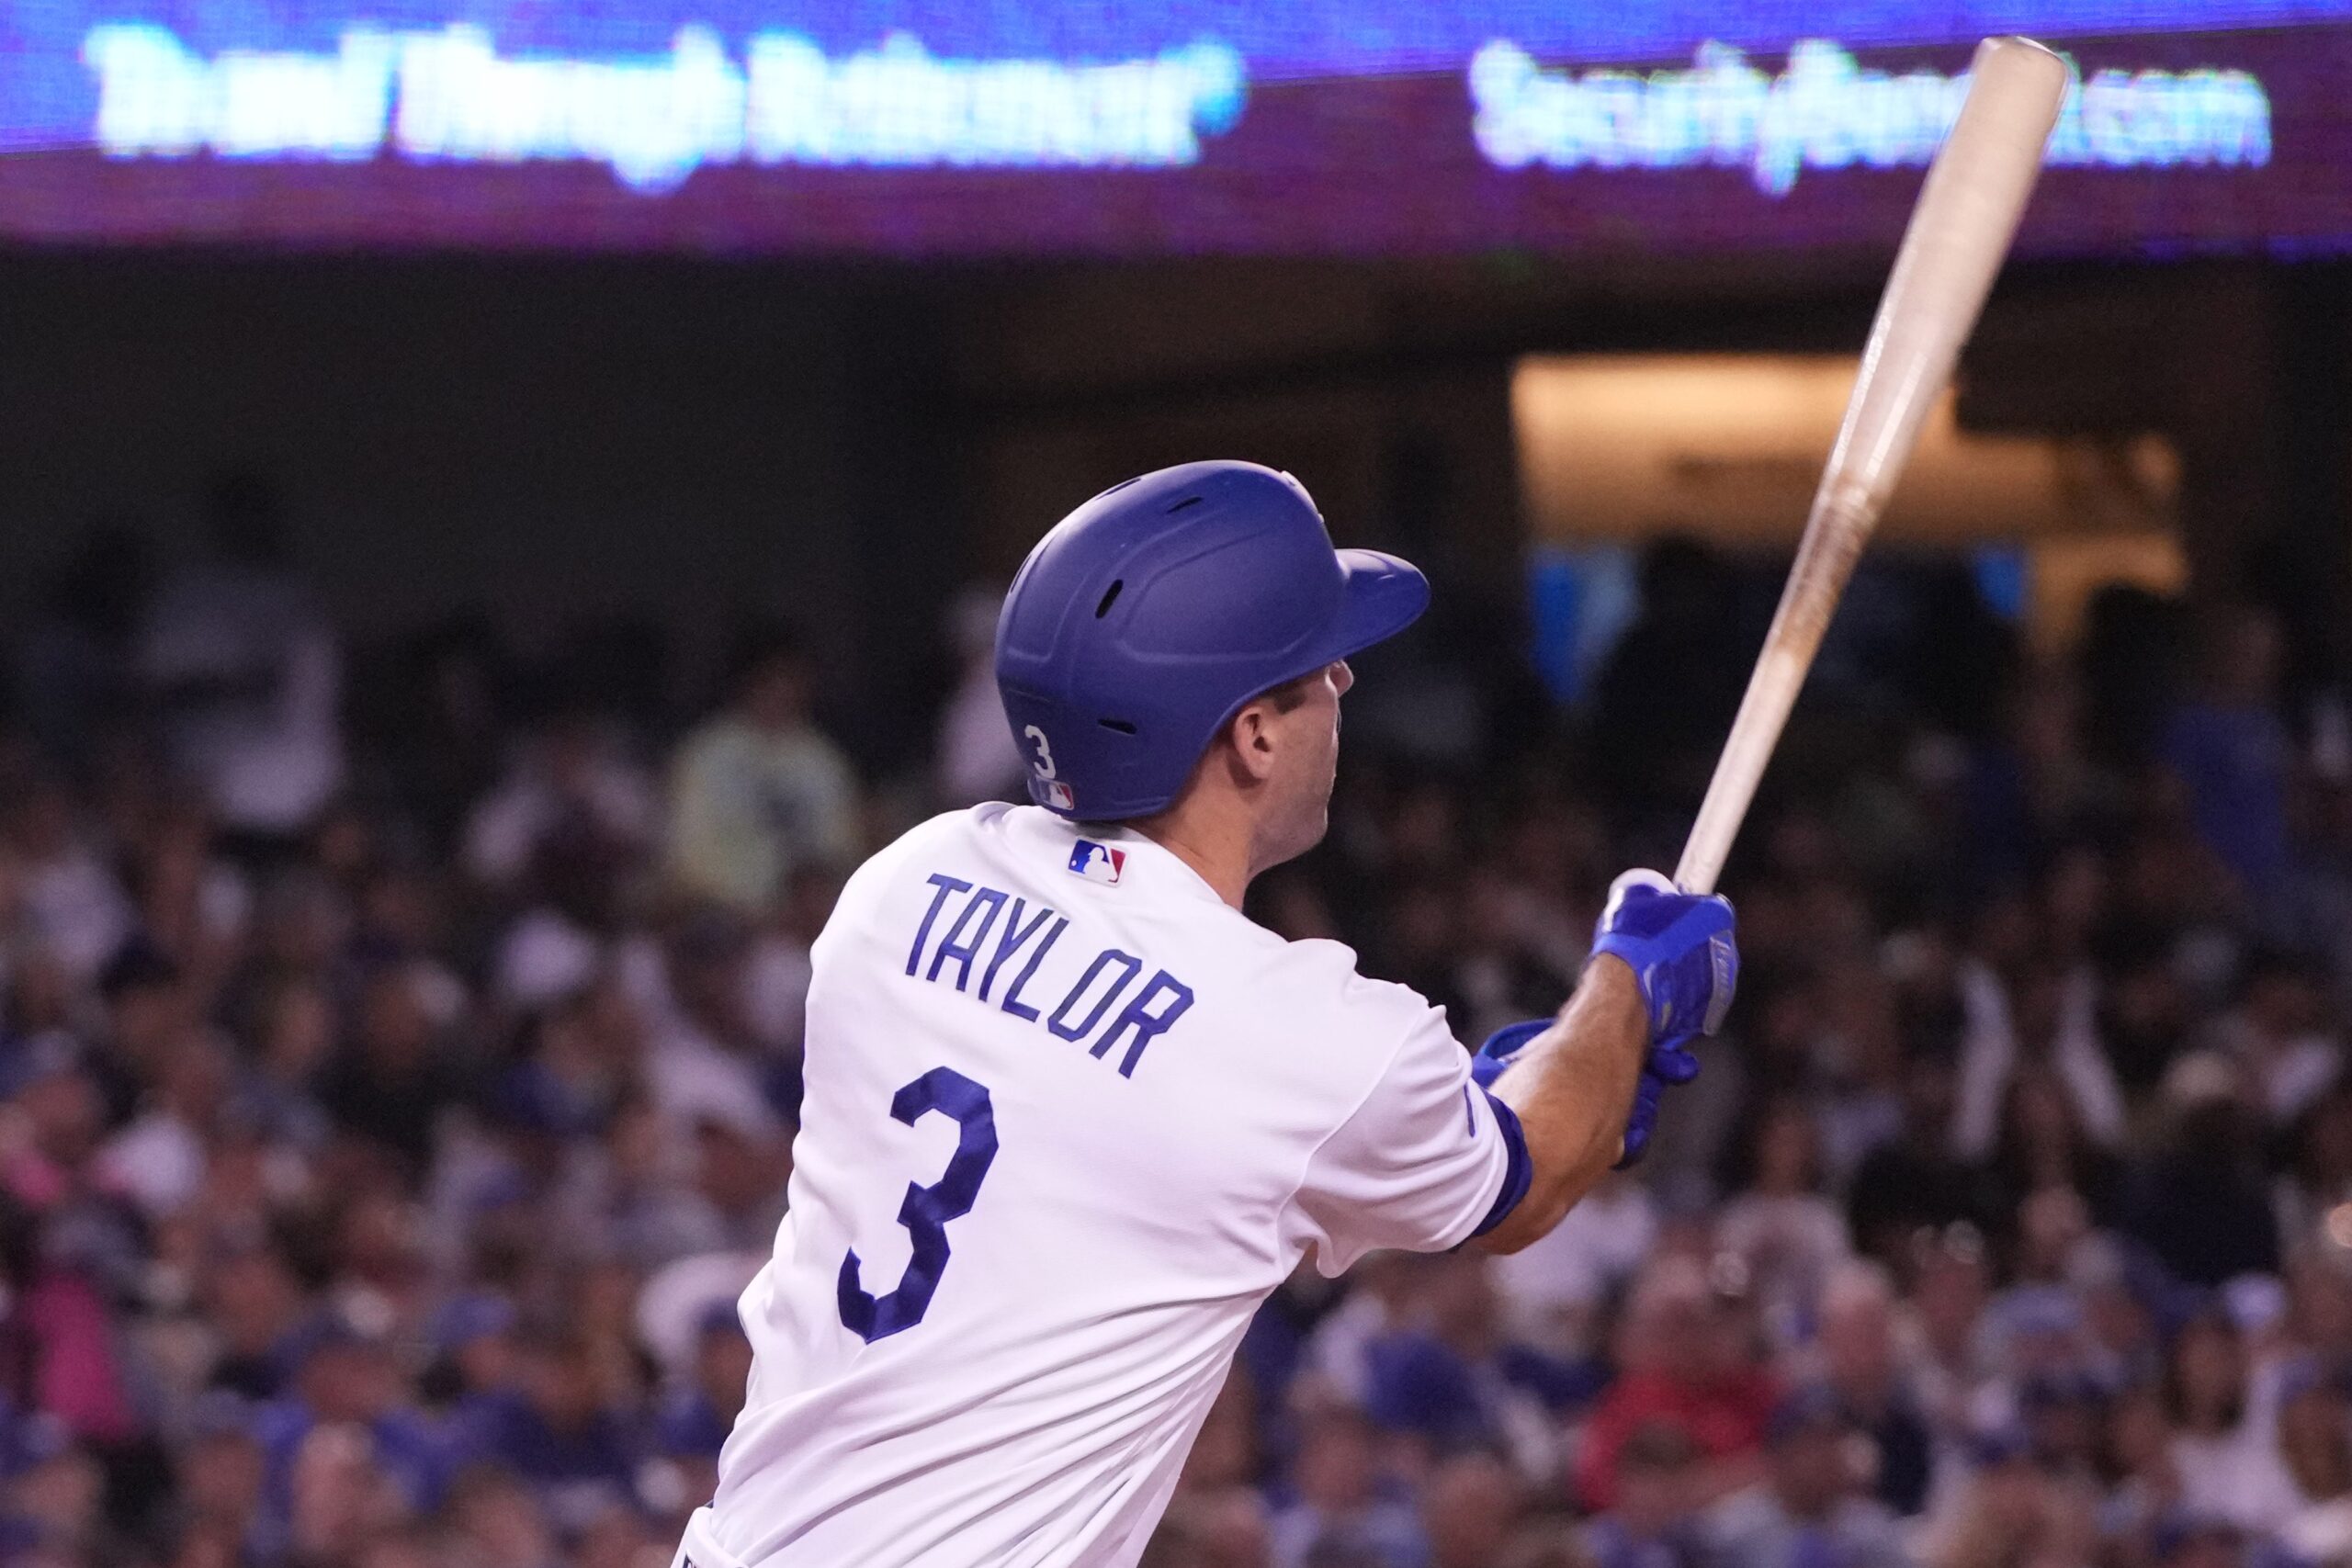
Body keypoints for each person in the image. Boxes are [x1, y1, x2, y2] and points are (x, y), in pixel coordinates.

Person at [672, 462, 1740, 1568]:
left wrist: (1502, 1093)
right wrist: (1626, 982)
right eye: (1319, 667)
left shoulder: (903, 882)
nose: (1344, 681)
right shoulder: (1308, 1040)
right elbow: (1527, 1179)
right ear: (1253, 736)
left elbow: (1123, 1105)